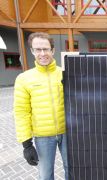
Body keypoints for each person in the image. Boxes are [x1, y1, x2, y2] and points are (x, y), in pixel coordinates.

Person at [14, 32, 68, 180]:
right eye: (38, 49)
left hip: (68, 133)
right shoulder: (24, 79)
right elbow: (21, 112)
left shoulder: (65, 73)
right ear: (32, 51)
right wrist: (26, 144)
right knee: (45, 175)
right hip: (43, 137)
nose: (42, 53)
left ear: (53, 50)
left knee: (72, 171)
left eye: (46, 49)